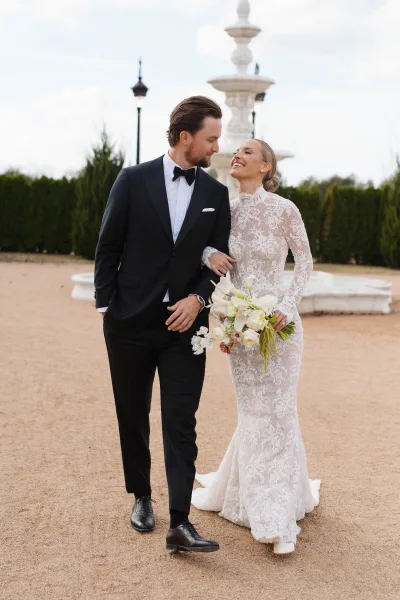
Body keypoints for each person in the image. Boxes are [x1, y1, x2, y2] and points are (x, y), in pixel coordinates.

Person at [94, 96, 231, 553]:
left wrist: (198, 298)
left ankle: (180, 521)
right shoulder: (132, 180)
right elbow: (108, 246)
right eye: (211, 138)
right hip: (130, 322)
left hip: (186, 327)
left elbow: (217, 259)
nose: (217, 146)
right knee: (132, 415)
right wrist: (107, 309)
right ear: (185, 136)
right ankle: (141, 496)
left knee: (180, 420)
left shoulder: (216, 193)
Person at [191, 139, 321, 555]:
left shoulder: (285, 209)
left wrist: (286, 306)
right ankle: (259, 495)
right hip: (240, 327)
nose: (238, 155)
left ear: (266, 166)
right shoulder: (222, 209)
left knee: (280, 409)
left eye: (248, 152)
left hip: (281, 326)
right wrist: (224, 320)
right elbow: (204, 252)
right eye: (236, 150)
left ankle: (276, 517)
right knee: (252, 412)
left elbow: (304, 262)